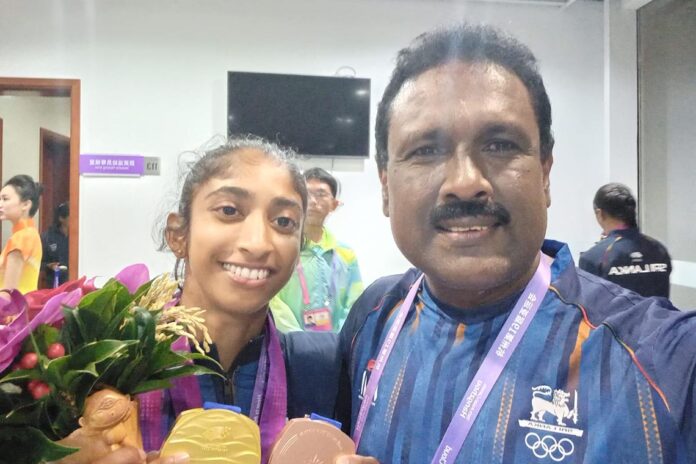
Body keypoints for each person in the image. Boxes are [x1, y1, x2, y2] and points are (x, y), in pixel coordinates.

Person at [336, 23, 696, 463]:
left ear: (545, 173)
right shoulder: (374, 318)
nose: (465, 182)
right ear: (385, 187)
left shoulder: (665, 360)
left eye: (500, 144)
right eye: (426, 150)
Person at [56, 136, 357, 464]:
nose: (258, 243)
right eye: (229, 211)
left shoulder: (321, 370)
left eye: (283, 221)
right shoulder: (98, 364)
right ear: (178, 235)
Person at [270, 167, 363, 332]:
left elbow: (356, 303)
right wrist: (296, 337)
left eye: (321, 194)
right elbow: (272, 299)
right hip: (288, 342)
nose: (313, 201)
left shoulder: (346, 254)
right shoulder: (281, 248)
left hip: (337, 343)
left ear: (334, 204)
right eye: (307, 194)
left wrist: (341, 338)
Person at [579, 183, 672, 298]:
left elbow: (587, 304)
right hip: (658, 310)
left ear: (600, 213)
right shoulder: (659, 249)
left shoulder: (593, 257)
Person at [0, 174, 43, 294]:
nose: (0, 204)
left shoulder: (21, 237)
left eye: (5, 199)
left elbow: (8, 293)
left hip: (13, 306)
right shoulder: (31, 234)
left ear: (26, 204)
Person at [41, 201, 70, 288]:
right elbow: (39, 262)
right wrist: (50, 265)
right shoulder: (47, 237)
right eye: (71, 216)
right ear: (61, 218)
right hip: (53, 284)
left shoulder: (79, 236)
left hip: (74, 282)